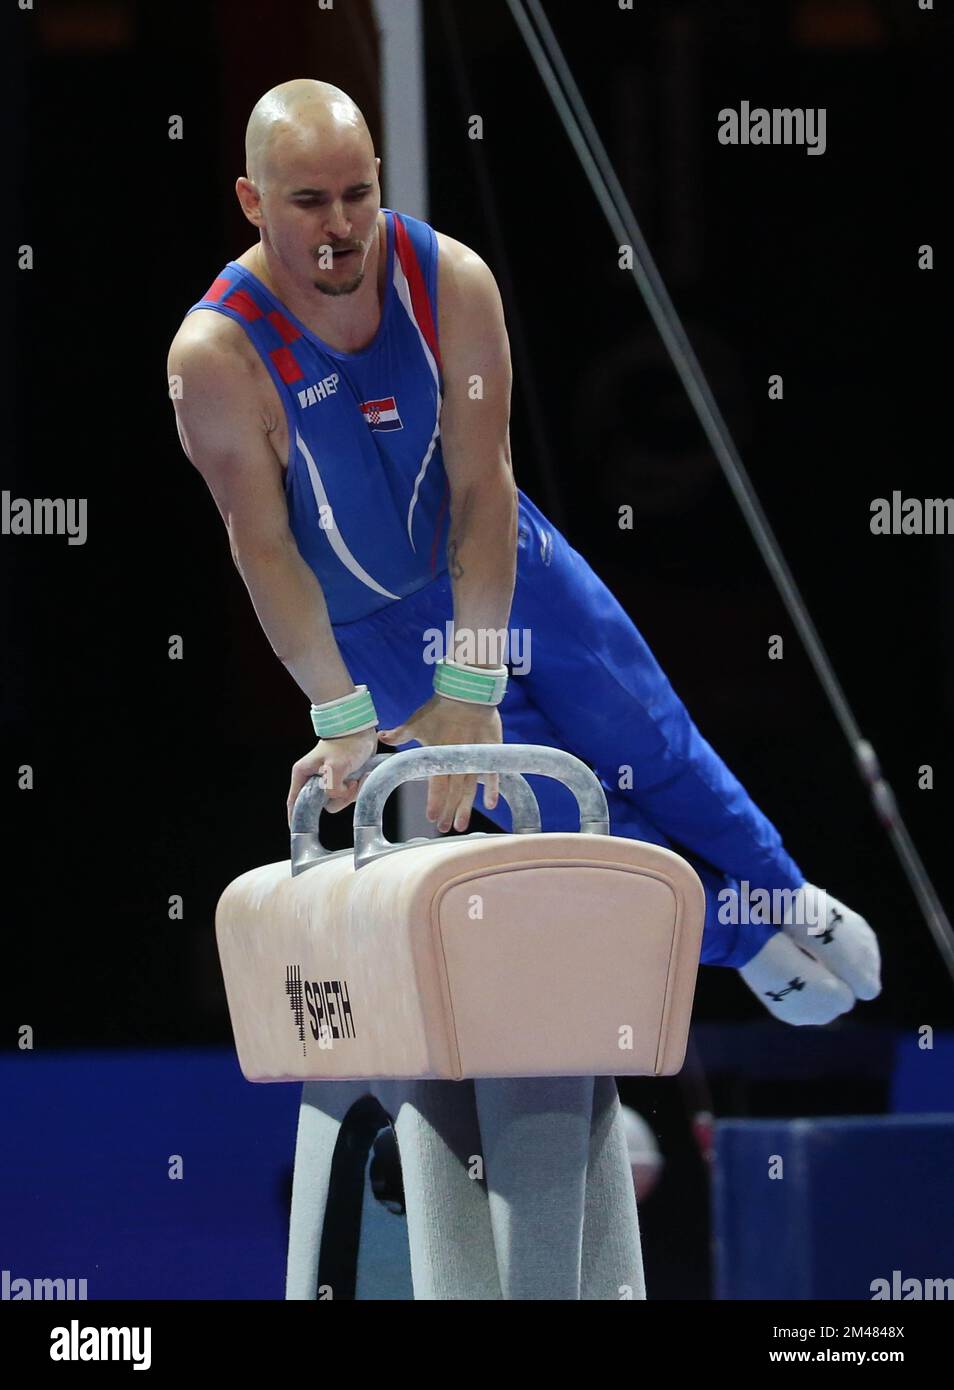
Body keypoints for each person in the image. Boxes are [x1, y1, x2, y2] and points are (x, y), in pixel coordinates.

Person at [168, 78, 880, 1024]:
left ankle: (783, 892)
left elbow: (481, 484)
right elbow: (264, 551)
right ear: (252, 201)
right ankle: (746, 942)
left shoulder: (449, 281)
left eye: (357, 194)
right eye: (308, 202)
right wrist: (339, 714)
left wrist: (472, 680)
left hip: (508, 562)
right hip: (374, 637)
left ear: (378, 178)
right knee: (575, 834)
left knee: (650, 742)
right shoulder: (217, 357)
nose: (340, 228)